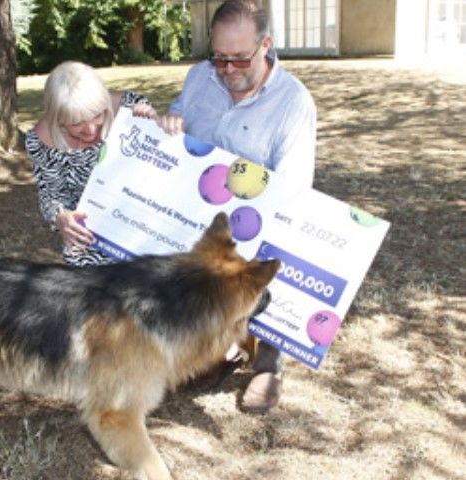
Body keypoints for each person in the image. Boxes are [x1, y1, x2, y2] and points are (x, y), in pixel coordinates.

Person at [156, 0, 317, 414]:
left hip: (257, 226)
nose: (227, 70)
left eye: (239, 59)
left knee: (280, 259)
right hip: (197, 223)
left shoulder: (294, 103)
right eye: (219, 59)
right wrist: (169, 125)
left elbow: (294, 193)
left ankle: (268, 361)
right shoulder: (199, 78)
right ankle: (212, 350)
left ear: (266, 45)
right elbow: (176, 128)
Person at [25, 61, 156, 267]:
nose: (91, 129)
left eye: (98, 115)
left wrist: (153, 125)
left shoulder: (130, 107)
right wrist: (61, 217)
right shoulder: (41, 139)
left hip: (144, 229)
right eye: (76, 123)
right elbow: (51, 194)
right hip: (92, 238)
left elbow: (162, 165)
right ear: (57, 118)